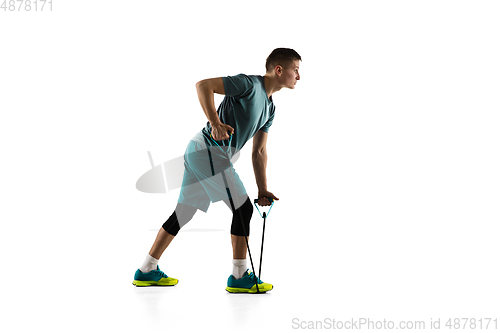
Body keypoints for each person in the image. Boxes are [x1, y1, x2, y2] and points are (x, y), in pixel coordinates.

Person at [132, 48, 301, 293]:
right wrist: (215, 122)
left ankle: (146, 270)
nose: (298, 76)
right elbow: (203, 86)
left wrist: (262, 188)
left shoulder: (270, 109)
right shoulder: (248, 85)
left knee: (184, 213)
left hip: (201, 152)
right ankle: (240, 275)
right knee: (242, 208)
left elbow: (259, 152)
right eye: (295, 70)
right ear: (279, 70)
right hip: (207, 152)